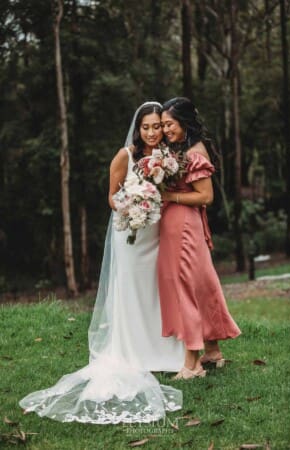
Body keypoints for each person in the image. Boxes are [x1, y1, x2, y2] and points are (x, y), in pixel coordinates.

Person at [19, 102, 184, 424]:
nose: (151, 132)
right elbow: (111, 195)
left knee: (157, 290)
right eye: (146, 127)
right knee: (133, 290)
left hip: (157, 234)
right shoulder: (125, 155)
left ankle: (165, 351)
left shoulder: (168, 156)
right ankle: (134, 351)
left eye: (156, 126)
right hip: (132, 234)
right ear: (137, 128)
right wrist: (131, 205)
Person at [158, 97, 241, 380]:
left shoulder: (194, 152)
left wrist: (170, 195)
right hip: (183, 224)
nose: (166, 129)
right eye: (163, 125)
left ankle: (191, 365)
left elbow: (206, 196)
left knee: (185, 289)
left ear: (184, 122)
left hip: (184, 227)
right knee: (202, 284)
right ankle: (212, 351)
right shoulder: (180, 149)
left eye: (169, 124)